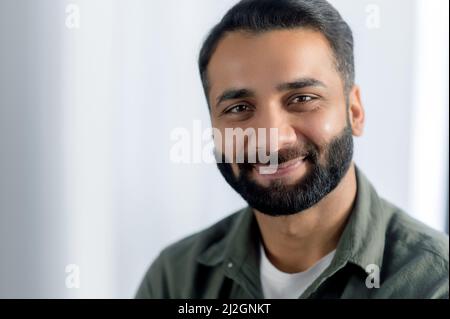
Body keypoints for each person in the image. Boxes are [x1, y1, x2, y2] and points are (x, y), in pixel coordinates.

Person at [136, 0, 449, 299]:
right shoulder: (175, 278)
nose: (271, 140)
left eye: (302, 99)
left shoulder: (435, 283)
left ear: (354, 112)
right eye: (240, 107)